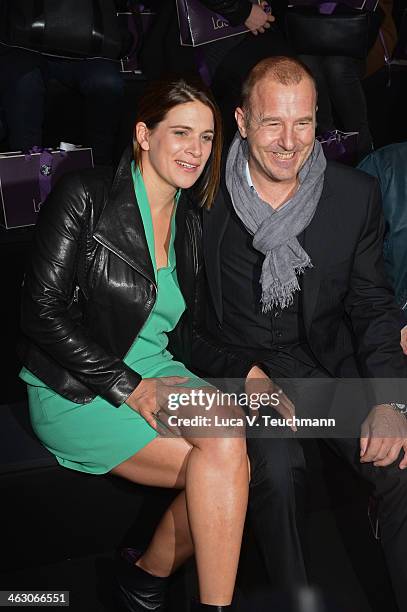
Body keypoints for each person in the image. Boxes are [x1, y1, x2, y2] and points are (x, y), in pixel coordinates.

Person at [18, 77, 253, 612]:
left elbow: (185, 330)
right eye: (182, 133)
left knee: (230, 451)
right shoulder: (85, 196)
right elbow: (41, 314)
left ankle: (146, 579)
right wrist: (131, 387)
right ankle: (166, 587)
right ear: (144, 135)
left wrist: (246, 368)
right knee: (225, 462)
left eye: (208, 137)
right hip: (79, 386)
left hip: (158, 369)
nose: (197, 150)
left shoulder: (191, 219)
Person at [189, 56, 407, 609]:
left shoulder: (354, 195)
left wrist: (390, 403)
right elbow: (180, 322)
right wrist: (243, 374)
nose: (290, 142)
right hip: (238, 373)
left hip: (321, 369)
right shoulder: (201, 196)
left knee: (401, 465)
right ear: (240, 122)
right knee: (280, 473)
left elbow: (372, 305)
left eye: (303, 122)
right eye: (272, 123)